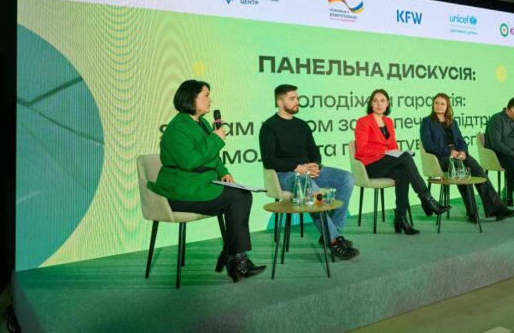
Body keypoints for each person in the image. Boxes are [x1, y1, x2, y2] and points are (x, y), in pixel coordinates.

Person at [148, 80, 266, 282]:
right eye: (206, 95)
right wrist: (216, 138)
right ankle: (237, 259)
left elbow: (212, 157)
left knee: (244, 195)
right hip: (180, 192)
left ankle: (232, 254)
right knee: (237, 198)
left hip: (199, 185)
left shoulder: (201, 123)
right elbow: (190, 161)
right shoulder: (177, 129)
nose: (210, 100)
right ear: (191, 98)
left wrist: (223, 172)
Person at [259, 84, 359, 260]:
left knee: (347, 179)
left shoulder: (302, 125)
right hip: (286, 174)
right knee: (308, 185)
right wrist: (298, 168)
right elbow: (269, 160)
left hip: (308, 170)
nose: (297, 101)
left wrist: (316, 166)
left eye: (297, 98)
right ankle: (334, 240)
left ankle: (331, 231)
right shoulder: (269, 126)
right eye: (292, 99)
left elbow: (314, 151)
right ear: (280, 102)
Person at [354, 89, 451, 235]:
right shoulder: (364, 121)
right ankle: (427, 199)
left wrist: (394, 152)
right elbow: (362, 149)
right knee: (405, 157)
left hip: (385, 163)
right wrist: (385, 151)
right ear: (371, 104)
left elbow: (393, 145)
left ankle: (400, 218)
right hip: (370, 166)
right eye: (375, 101)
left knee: (403, 172)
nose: (379, 104)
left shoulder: (388, 121)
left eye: (382, 101)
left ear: (387, 104)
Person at [420, 93, 514, 222]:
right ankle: (472, 211)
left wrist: (463, 152)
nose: (439, 106)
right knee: (461, 171)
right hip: (440, 157)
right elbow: (428, 145)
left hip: (457, 154)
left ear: (447, 106)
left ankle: (497, 209)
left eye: (442, 104)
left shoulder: (452, 122)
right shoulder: (427, 122)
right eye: (436, 103)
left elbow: (461, 140)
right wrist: (450, 152)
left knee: (477, 170)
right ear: (433, 105)